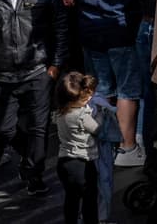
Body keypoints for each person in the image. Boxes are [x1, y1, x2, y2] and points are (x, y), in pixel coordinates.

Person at [65, 0, 143, 168]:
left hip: (91, 25)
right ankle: (126, 145)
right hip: (119, 25)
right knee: (126, 88)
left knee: (102, 88)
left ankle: (105, 144)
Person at [0, 0, 67, 195]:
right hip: (3, 75)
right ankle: (26, 156)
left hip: (38, 71)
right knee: (4, 129)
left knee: (38, 127)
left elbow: (60, 29)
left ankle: (34, 175)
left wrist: (54, 65)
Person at [53, 72, 100, 224]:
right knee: (89, 199)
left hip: (64, 162)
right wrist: (101, 116)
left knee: (71, 198)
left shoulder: (59, 113)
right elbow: (97, 129)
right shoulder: (81, 115)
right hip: (82, 163)